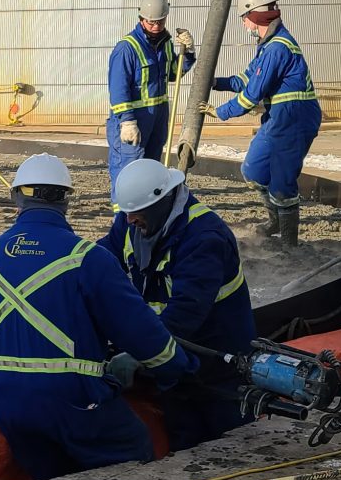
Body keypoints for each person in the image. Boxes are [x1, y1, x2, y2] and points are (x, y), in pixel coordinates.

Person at [0, 153, 196, 480]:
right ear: (66, 201)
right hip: (71, 399)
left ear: (16, 197)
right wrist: (178, 368)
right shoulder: (87, 259)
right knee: (132, 457)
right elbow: (142, 334)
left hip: (3, 398)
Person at [105, 158, 256, 450]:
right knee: (184, 443)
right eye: (126, 213)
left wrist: (139, 353)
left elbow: (185, 314)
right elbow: (102, 259)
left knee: (230, 446)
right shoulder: (134, 223)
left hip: (218, 369)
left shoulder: (204, 238)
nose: (129, 220)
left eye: (136, 213)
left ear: (162, 202)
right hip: (173, 365)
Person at [212, 0, 320, 245]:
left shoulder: (277, 48)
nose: (243, 24)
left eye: (243, 18)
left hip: (294, 119)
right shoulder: (267, 46)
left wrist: (220, 112)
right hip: (278, 119)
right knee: (254, 170)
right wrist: (215, 82)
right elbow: (245, 80)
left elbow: (251, 96)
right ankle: (274, 220)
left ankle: (289, 243)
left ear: (253, 16)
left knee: (282, 182)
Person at [106, 0, 196, 189]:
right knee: (127, 172)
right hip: (133, 121)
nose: (156, 27)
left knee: (150, 172)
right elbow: (118, 89)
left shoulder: (165, 44)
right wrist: (127, 121)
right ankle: (122, 216)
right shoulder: (126, 49)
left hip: (156, 121)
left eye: (160, 22)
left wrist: (187, 53)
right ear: (141, 18)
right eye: (151, 22)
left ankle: (147, 215)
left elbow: (173, 73)